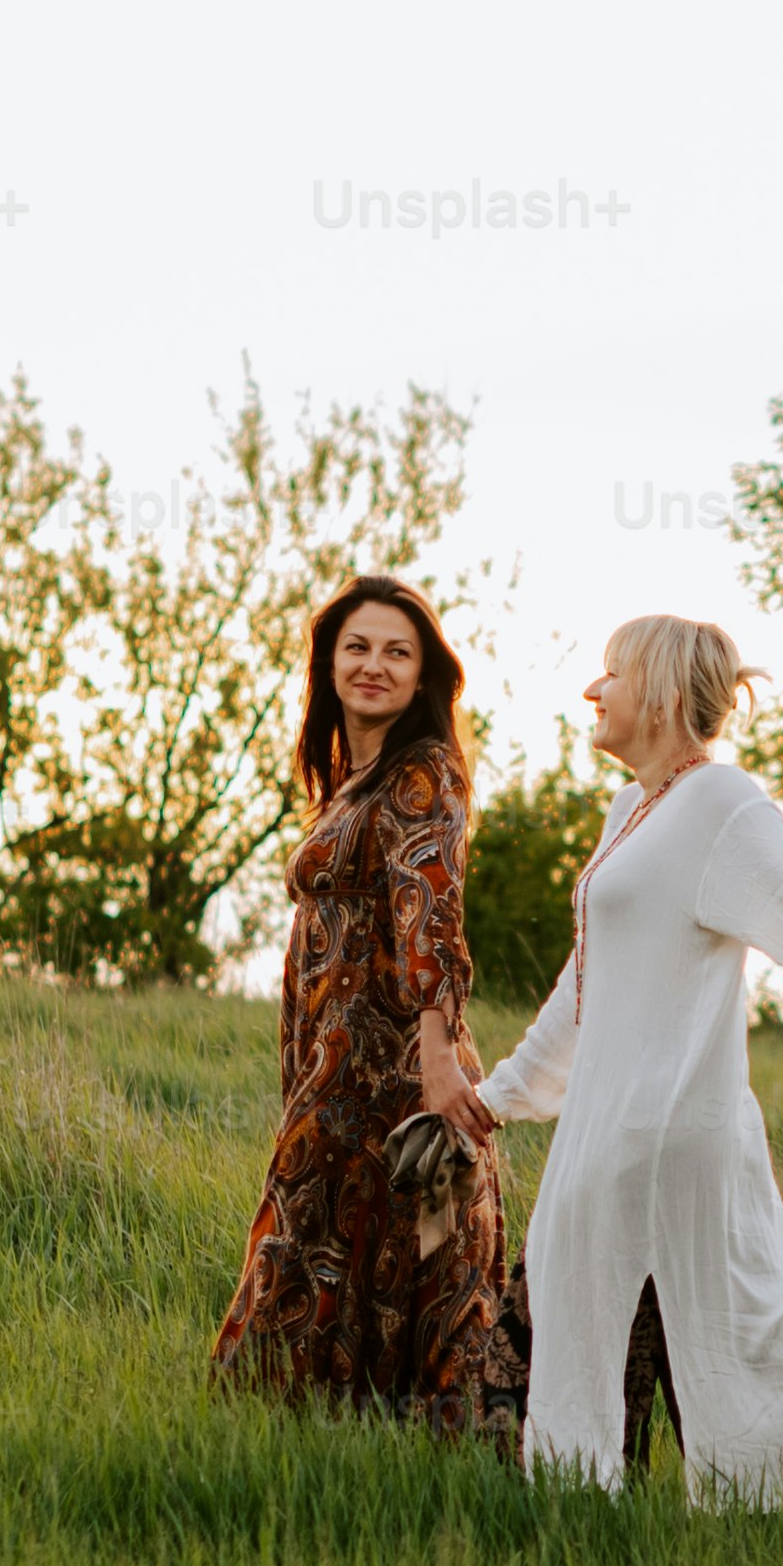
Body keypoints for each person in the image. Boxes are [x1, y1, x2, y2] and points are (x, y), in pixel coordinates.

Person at [440, 614, 783, 1517]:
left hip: (679, 1136)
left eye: (610, 674)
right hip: (605, 1139)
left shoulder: (719, 803)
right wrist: (499, 1096)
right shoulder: (635, 810)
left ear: (658, 693)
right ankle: (581, 1523)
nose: (593, 691)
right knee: (571, 1336)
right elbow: (586, 986)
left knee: (743, 1330)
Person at [208, 574, 527, 1453]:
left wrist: (436, 1057)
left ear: (423, 674)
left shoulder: (424, 772)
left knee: (398, 1243)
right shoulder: (355, 779)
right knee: (342, 1243)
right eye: (357, 647)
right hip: (333, 1059)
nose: (374, 665)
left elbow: (433, 911)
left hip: (392, 1062)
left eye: (397, 651)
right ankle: (334, 1446)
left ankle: (419, 1458)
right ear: (330, 660)